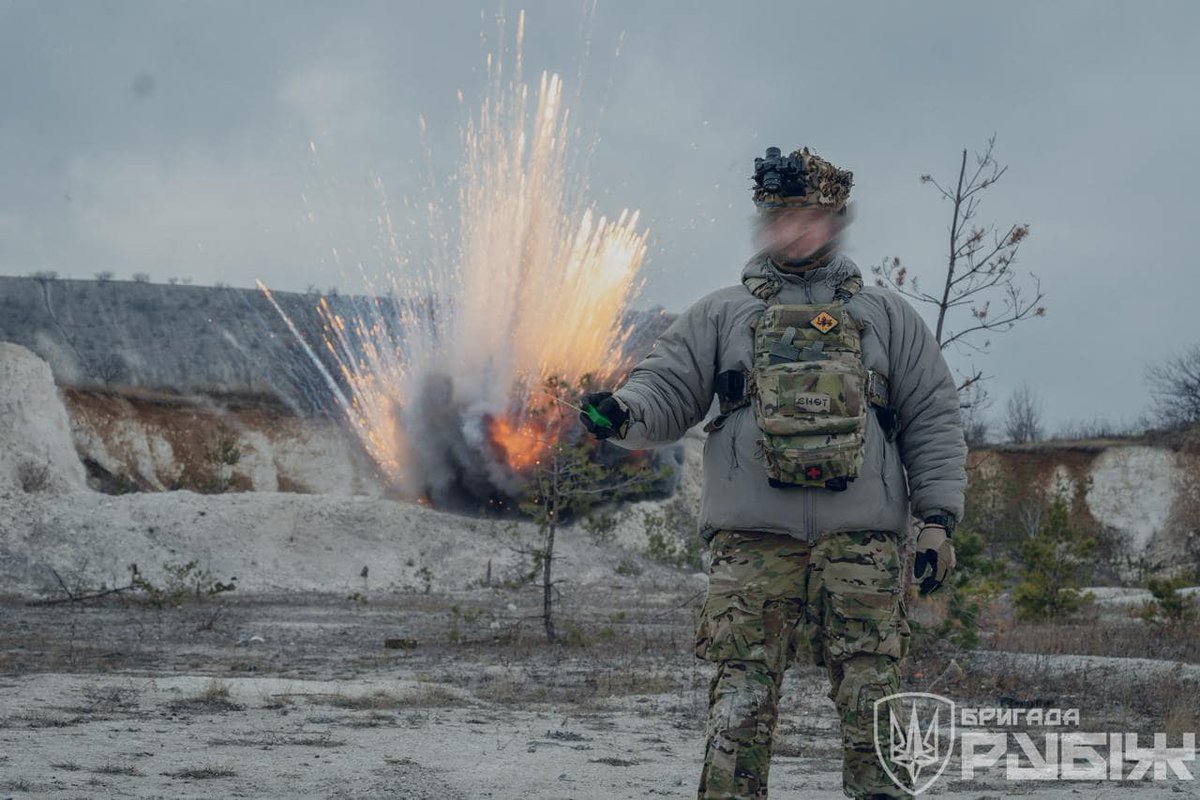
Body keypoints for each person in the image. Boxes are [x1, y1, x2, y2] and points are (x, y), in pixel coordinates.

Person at [579, 146, 967, 799]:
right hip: (753, 544)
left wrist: (937, 523)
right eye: (779, 216)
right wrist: (621, 414)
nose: (793, 230)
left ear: (836, 220)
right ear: (764, 221)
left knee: (873, 694)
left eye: (808, 216)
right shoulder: (721, 314)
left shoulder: (888, 317)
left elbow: (933, 419)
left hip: (861, 542)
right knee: (741, 700)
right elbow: (668, 389)